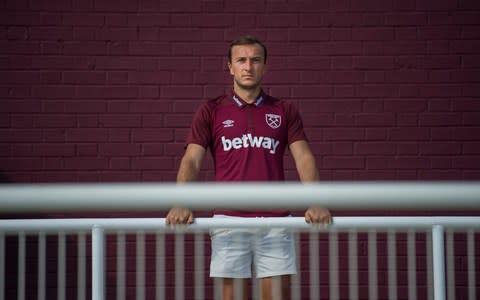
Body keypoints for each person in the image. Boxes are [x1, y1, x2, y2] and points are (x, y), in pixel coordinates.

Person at [166, 35, 332, 300]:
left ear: (265, 66)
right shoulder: (211, 110)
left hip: (276, 221)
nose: (248, 66)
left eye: (255, 60)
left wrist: (316, 201)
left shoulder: (283, 110)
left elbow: (303, 157)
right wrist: (181, 202)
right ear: (229, 66)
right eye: (241, 60)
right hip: (230, 220)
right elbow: (192, 160)